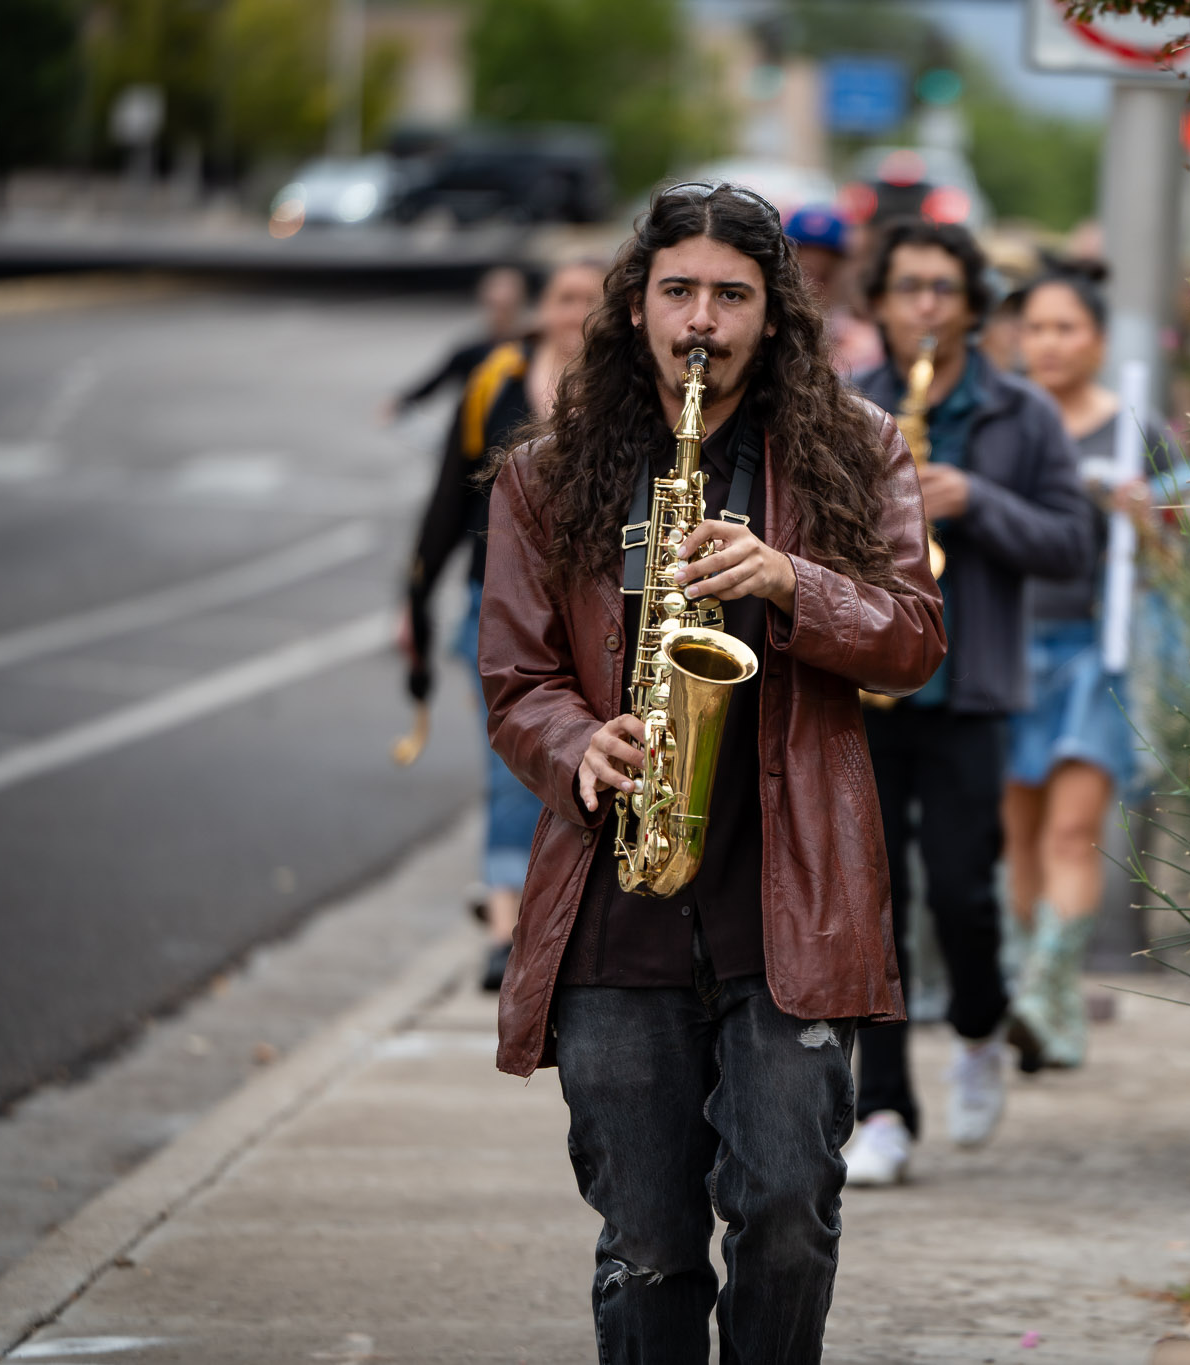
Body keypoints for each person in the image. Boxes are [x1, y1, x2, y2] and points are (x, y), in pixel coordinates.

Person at [480, 183, 943, 1364]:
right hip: (617, 910)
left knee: (786, 1215)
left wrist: (790, 580)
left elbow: (913, 640)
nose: (700, 321)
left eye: (729, 296)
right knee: (647, 1246)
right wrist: (578, 742)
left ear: (772, 313)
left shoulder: (858, 448)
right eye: (676, 291)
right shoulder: (546, 474)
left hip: (788, 902)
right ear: (634, 307)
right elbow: (516, 681)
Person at [841, 220, 1092, 1186]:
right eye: (908, 287)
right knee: (871, 902)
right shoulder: (843, 404)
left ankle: (981, 1027)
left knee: (960, 892)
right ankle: (883, 1109)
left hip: (969, 691)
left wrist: (975, 500)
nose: (926, 306)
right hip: (864, 690)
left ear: (974, 305)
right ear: (879, 302)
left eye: (944, 288)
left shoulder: (1022, 413)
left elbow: (1071, 545)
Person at [399, 259, 604, 991]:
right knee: (512, 766)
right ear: (543, 307)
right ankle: (504, 923)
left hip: (591, 610)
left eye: (593, 300)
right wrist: (415, 601)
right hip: (498, 602)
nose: (576, 312)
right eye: (565, 297)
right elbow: (448, 498)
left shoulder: (627, 390)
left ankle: (559, 913)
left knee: (581, 760)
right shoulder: (496, 379)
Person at [1002, 265, 1180, 1072]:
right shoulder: (1001, 423)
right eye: (1036, 327)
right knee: (1019, 834)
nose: (1049, 343)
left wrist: (1143, 522)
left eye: (1065, 327)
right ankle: (1049, 1005)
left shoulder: (1138, 431)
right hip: (1006, 648)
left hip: (1097, 650)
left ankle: (1041, 992)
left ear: (1098, 340)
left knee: (1074, 831)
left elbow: (1179, 562)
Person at [379, 266, 527, 424]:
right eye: (495, 305)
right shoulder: (471, 350)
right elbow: (436, 380)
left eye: (505, 306)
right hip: (473, 427)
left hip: (515, 427)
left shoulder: (529, 349)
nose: (499, 312)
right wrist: (400, 401)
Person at [784, 203, 883, 375]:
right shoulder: (764, 337)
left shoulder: (868, 348)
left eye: (825, 274)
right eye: (803, 272)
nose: (812, 288)